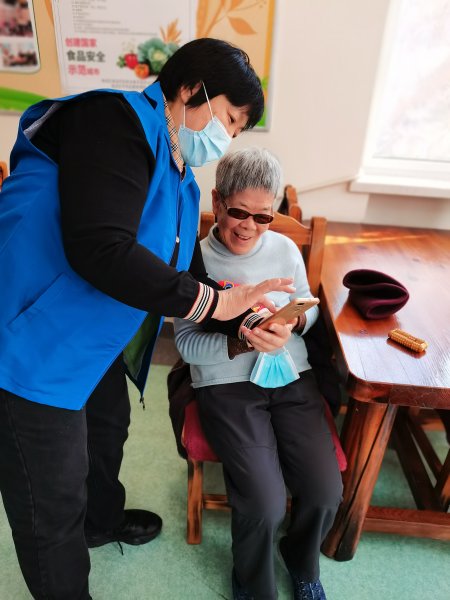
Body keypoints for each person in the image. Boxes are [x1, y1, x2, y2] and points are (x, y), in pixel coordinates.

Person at [0, 39, 295, 599]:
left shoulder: (181, 178)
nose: (227, 138)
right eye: (229, 119)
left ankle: (100, 521)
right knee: (51, 500)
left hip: (94, 339)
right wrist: (213, 304)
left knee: (107, 433)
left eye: (237, 130)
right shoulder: (111, 120)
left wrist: (246, 318)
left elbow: (188, 278)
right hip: (33, 341)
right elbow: (101, 248)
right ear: (190, 89)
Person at [174, 148, 343, 600]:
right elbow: (186, 345)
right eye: (238, 212)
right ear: (217, 201)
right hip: (227, 385)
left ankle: (301, 560)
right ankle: (251, 581)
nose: (249, 226)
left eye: (263, 216)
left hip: (291, 376)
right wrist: (242, 341)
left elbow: (308, 306)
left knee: (325, 492)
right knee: (265, 505)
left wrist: (294, 321)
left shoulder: (284, 248)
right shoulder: (193, 262)